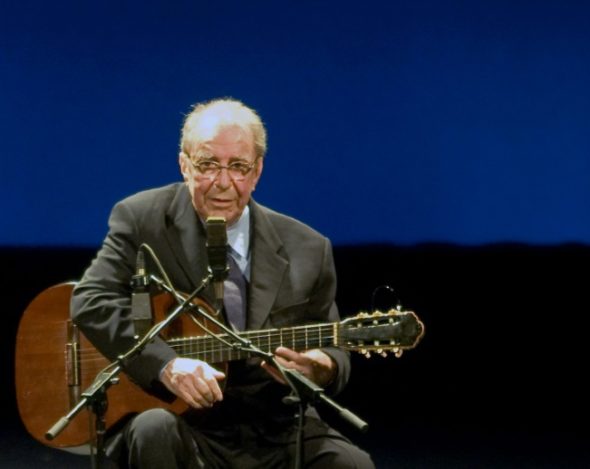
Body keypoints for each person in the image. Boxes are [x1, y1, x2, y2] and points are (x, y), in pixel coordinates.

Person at [70, 97, 375, 468]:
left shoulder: (308, 247)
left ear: (258, 171)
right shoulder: (142, 220)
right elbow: (91, 300)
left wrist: (321, 365)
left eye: (239, 167)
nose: (223, 182)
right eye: (208, 164)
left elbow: (332, 344)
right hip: (178, 419)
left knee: (351, 464)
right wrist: (166, 365)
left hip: (272, 426)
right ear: (184, 164)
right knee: (153, 430)